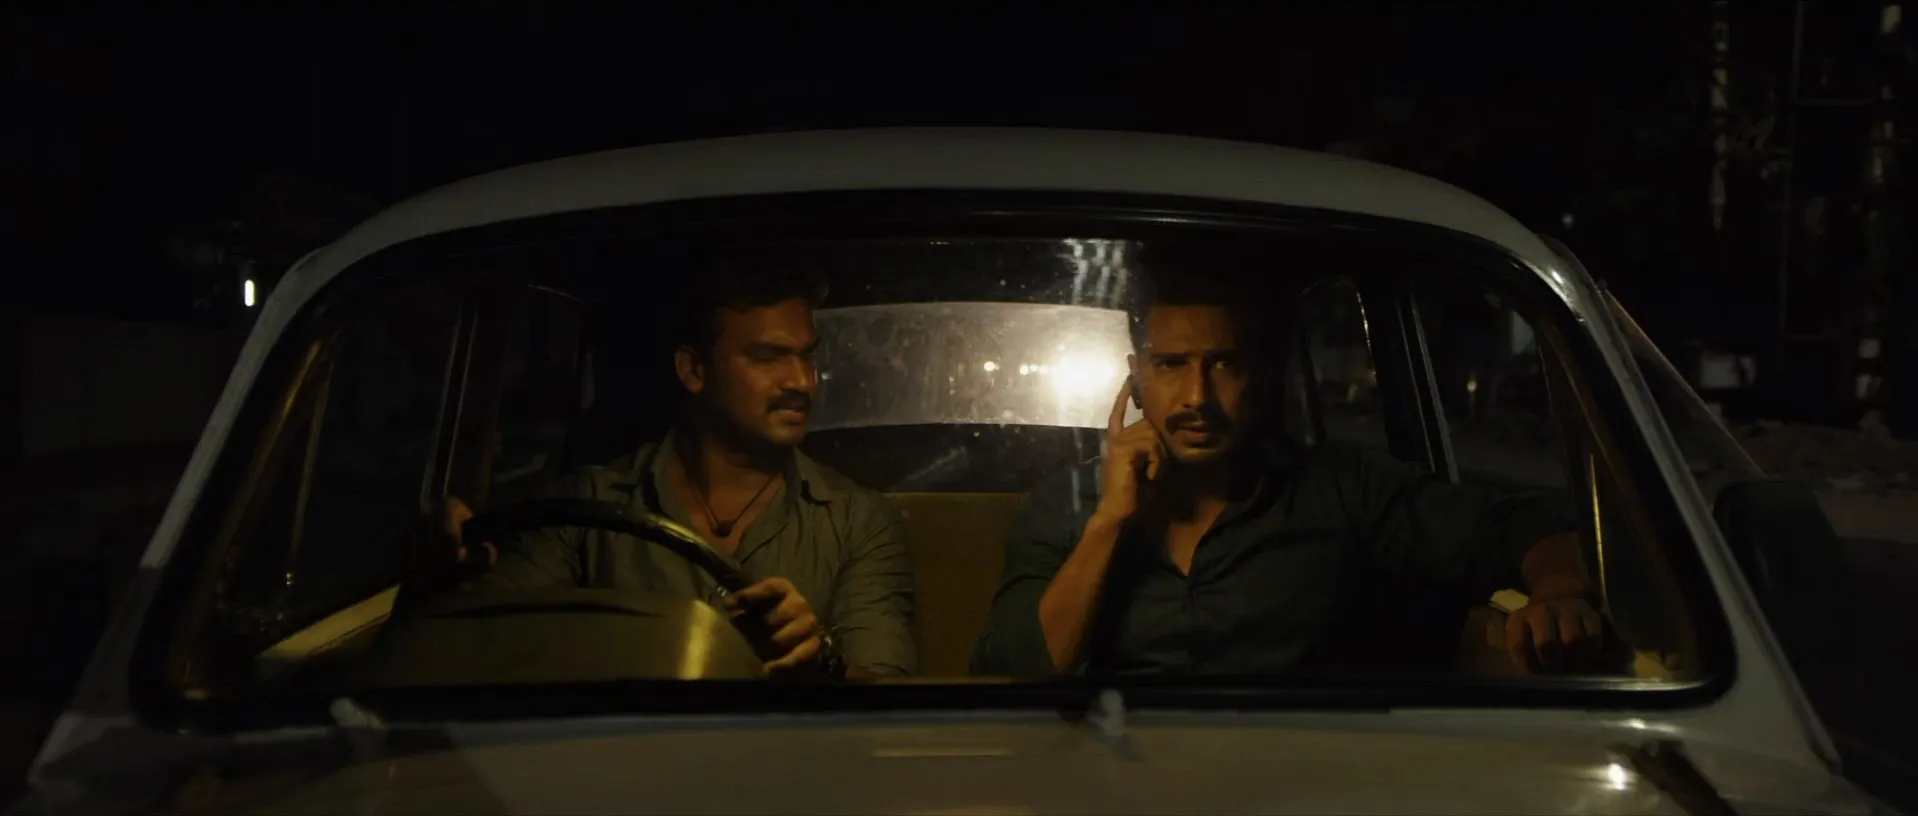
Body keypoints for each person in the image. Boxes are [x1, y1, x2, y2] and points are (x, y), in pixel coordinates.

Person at [971, 262, 1600, 677]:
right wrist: (1110, 522)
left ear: (1262, 377)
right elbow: (1017, 674)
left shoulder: (1340, 488)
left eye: (1224, 365)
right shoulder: (1069, 507)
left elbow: (1521, 524)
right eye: (1171, 366)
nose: (1197, 397)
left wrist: (1560, 594)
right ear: (1136, 378)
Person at [448, 257, 917, 678]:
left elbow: (887, 696)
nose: (801, 381)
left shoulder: (857, 521)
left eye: (808, 356)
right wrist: (445, 571)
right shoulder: (586, 509)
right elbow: (473, 646)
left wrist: (820, 660)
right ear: (694, 370)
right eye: (768, 357)